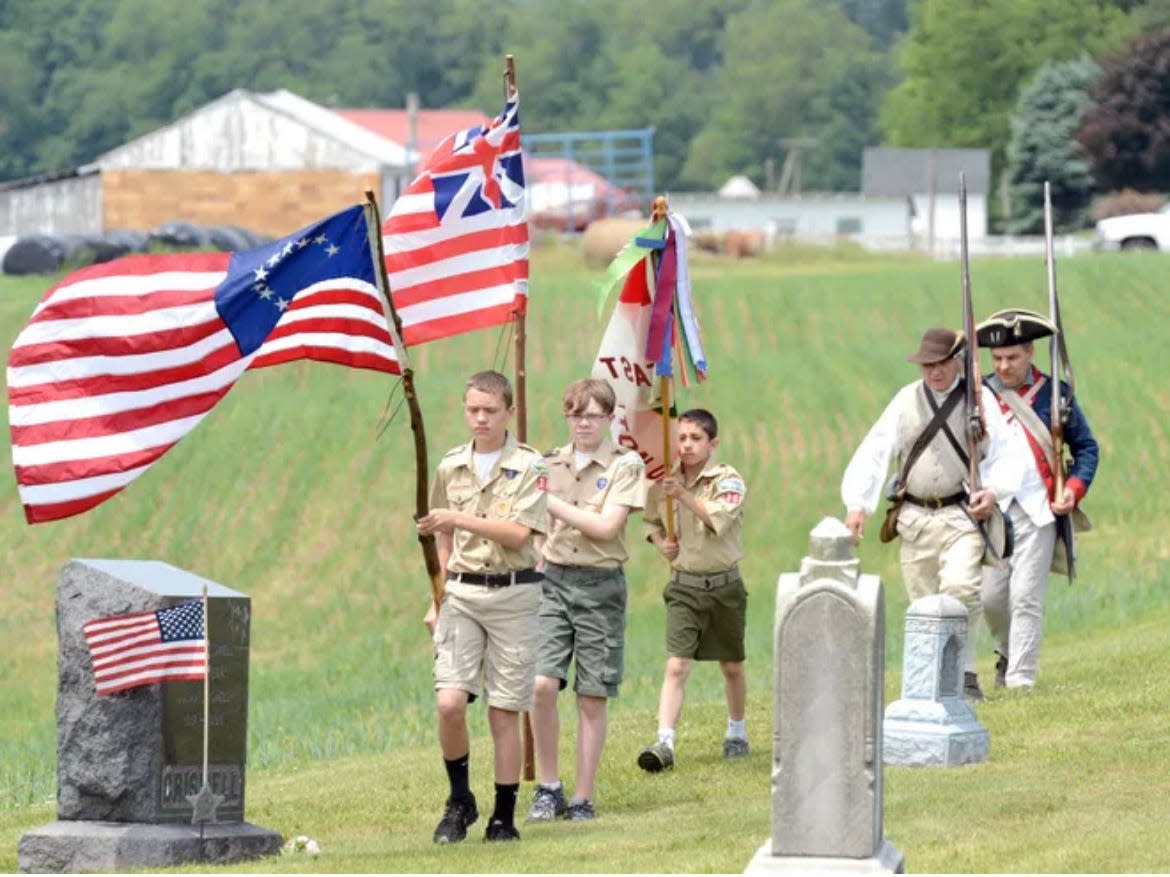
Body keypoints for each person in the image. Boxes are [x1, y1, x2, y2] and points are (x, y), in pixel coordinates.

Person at [841, 327, 1023, 701]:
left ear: (956, 362)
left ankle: (966, 673)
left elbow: (1008, 453)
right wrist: (858, 503)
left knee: (961, 591)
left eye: (941, 363)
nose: (934, 372)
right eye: (928, 364)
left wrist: (993, 492)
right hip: (915, 518)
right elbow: (876, 451)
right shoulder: (905, 400)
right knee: (924, 606)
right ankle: (930, 684)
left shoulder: (979, 400)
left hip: (961, 514)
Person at [417, 370, 549, 844]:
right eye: (473, 409)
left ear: (509, 412)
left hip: (515, 594)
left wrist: (456, 517)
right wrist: (442, 587)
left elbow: (519, 533)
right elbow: (440, 530)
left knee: (503, 711)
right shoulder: (451, 466)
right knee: (450, 702)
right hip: (464, 595)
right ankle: (459, 800)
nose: (480, 418)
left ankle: (503, 814)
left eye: (490, 410)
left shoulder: (531, 466)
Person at [525, 379, 646, 823]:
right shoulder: (548, 463)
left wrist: (549, 502)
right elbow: (535, 526)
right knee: (540, 685)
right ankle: (549, 786)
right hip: (554, 581)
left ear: (609, 418)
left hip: (600, 587)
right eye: (575, 415)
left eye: (592, 415)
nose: (582, 423)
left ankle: (581, 796)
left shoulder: (624, 465)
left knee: (592, 695)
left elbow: (605, 527)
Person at [976, 309, 1099, 690]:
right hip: (994, 511)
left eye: (1012, 357)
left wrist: (1072, 489)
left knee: (1026, 596)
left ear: (1029, 352)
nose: (1004, 365)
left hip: (1040, 509)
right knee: (992, 598)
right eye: (997, 358)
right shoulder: (980, 395)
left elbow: (1086, 449)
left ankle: (1020, 681)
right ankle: (1007, 652)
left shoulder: (1055, 393)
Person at [637, 408, 749, 772]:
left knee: (731, 664)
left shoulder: (726, 480)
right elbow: (651, 521)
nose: (686, 445)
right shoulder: (664, 483)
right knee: (677, 664)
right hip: (684, 586)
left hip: (724, 586)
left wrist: (683, 495)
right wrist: (659, 542)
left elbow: (718, 518)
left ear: (712, 444)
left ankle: (736, 729)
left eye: (695, 438)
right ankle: (665, 740)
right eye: (681, 438)